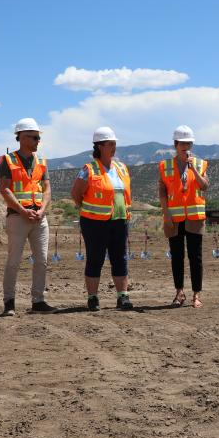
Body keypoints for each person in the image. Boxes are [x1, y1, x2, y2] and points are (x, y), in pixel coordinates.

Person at [0, 117, 58, 315]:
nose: (37, 140)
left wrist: (42, 211)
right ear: (21, 137)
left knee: (41, 260)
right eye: (33, 137)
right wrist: (23, 211)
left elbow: (47, 188)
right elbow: (5, 190)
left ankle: (38, 301)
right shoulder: (8, 160)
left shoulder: (41, 161)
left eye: (38, 137)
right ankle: (9, 302)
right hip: (18, 217)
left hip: (39, 218)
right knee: (14, 261)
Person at [71, 126, 134, 311]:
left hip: (120, 220)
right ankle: (93, 298)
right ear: (99, 146)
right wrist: (88, 210)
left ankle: (122, 296)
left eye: (114, 144)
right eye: (110, 144)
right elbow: (76, 193)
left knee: (120, 258)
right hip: (94, 223)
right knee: (95, 258)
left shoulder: (121, 168)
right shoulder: (88, 169)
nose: (113, 147)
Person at [159, 125, 210, 308]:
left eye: (189, 143)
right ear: (175, 144)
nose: (186, 147)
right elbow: (163, 193)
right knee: (177, 256)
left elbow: (204, 186)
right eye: (183, 143)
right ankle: (179, 292)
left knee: (195, 257)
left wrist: (193, 170)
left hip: (195, 218)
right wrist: (166, 215)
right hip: (175, 218)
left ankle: (197, 294)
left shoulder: (200, 164)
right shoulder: (165, 166)